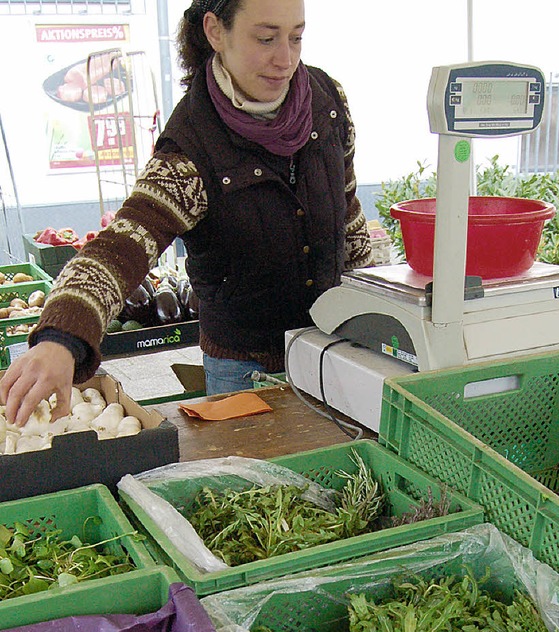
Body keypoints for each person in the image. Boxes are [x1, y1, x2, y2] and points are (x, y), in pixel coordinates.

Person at [0, 0, 372, 427]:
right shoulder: (191, 147)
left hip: (337, 351)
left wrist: (378, 315)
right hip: (247, 372)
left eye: (296, 37)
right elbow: (121, 246)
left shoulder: (328, 102)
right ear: (215, 31)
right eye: (266, 38)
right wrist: (60, 337)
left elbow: (348, 212)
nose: (285, 59)